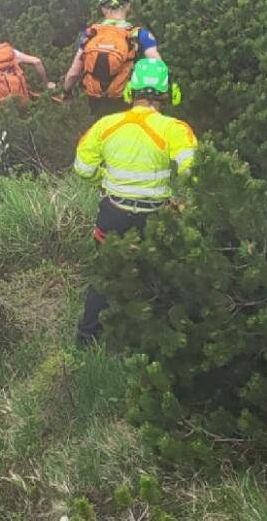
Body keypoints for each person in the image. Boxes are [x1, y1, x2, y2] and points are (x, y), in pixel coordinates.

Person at [71, 58, 196, 347]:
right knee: (160, 274)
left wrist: (107, 179)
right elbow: (194, 174)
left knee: (104, 275)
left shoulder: (105, 125)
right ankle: (158, 342)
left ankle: (86, 341)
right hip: (156, 216)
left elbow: (82, 170)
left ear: (130, 92)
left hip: (112, 213)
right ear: (169, 94)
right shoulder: (176, 129)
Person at [63, 0, 163, 118]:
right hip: (124, 102)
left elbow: (74, 73)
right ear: (128, 6)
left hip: (94, 103)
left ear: (103, 9)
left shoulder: (90, 33)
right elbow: (158, 66)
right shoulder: (139, 34)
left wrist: (66, 92)